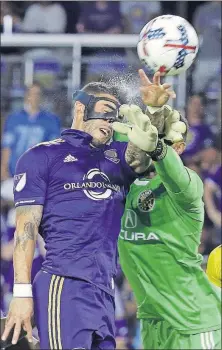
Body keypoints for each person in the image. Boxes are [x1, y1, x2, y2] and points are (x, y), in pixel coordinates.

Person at [1, 78, 175, 349]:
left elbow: (140, 156)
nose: (110, 121)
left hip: (104, 291)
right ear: (81, 109)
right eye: (106, 111)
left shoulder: (116, 157)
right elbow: (26, 229)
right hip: (64, 284)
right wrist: (22, 294)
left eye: (115, 116)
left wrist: (153, 111)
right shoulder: (41, 157)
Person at [116, 70, 221, 349]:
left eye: (161, 138)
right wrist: (152, 109)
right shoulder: (124, 186)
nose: (150, 141)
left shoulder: (187, 186)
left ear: (180, 147)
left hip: (194, 323)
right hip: (153, 324)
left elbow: (170, 168)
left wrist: (160, 151)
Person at [1, 82, 61, 180]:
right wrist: (3, 168)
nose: (35, 97)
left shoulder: (51, 120)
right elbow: (7, 147)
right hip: (15, 174)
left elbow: (54, 150)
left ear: (42, 97)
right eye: (32, 94)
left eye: (38, 94)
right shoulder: (13, 119)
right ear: (26, 96)